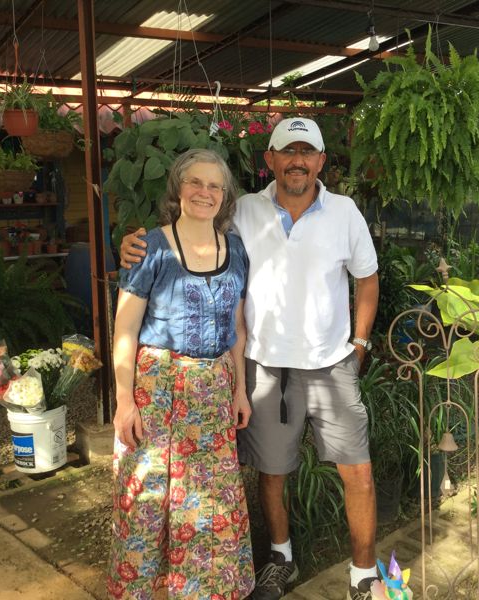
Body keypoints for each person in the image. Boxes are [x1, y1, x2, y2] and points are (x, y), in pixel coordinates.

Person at [121, 118, 380, 600]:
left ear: (321, 161)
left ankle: (364, 574)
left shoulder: (345, 212)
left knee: (358, 470)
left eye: (308, 151)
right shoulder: (244, 212)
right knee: (271, 472)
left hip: (330, 365)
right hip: (264, 368)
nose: (298, 160)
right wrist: (136, 246)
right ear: (271, 161)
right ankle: (281, 557)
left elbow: (367, 279)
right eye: (288, 151)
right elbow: (195, 238)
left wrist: (359, 345)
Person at [109, 148, 255, 599]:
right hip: (158, 389)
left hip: (213, 391)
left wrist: (241, 393)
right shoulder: (150, 246)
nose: (204, 193)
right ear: (178, 189)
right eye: (195, 182)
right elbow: (125, 328)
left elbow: (236, 328)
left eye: (215, 185)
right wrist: (124, 401)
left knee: (209, 499)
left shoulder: (237, 249)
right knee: (150, 495)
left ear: (226, 196)